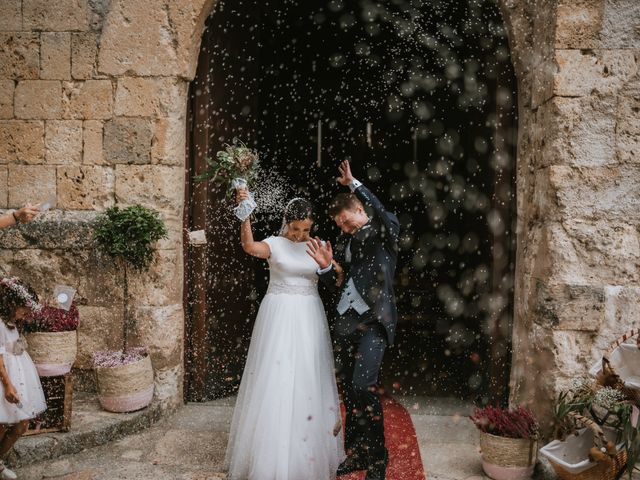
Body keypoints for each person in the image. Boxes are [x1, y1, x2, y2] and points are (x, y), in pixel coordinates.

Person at [224, 192, 344, 480]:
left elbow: (338, 277)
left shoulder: (314, 245)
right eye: (296, 229)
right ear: (286, 223)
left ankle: (307, 450)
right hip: (278, 316)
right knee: (275, 376)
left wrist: (330, 265)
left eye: (306, 229)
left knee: (306, 375)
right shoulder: (275, 244)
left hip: (309, 316)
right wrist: (245, 215)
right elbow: (249, 247)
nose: (301, 234)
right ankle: (270, 452)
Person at [307, 160, 400, 480]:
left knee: (364, 385)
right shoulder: (347, 242)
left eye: (346, 221)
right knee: (349, 389)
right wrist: (325, 267)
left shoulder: (387, 230)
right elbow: (342, 281)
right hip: (346, 322)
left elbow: (381, 213)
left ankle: (378, 458)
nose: (344, 228)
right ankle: (357, 451)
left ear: (359, 209)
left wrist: (354, 184)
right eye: (341, 225)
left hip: (374, 322)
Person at [0, 277, 47, 480]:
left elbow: (14, 348)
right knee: (1, 424)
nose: (25, 315)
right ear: (12, 304)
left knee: (22, 424)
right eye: (23, 310)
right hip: (5, 378)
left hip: (20, 373)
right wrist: (8, 385)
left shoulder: (12, 323)